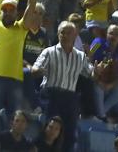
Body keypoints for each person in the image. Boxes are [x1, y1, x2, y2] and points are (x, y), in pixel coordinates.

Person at [29, 21, 92, 152]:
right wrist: (39, 70)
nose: (65, 35)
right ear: (58, 34)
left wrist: (97, 71)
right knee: (50, 132)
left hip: (70, 97)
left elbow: (90, 73)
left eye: (69, 33)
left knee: (70, 134)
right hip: (52, 94)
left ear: (75, 35)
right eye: (62, 32)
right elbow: (35, 69)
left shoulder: (80, 56)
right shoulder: (49, 52)